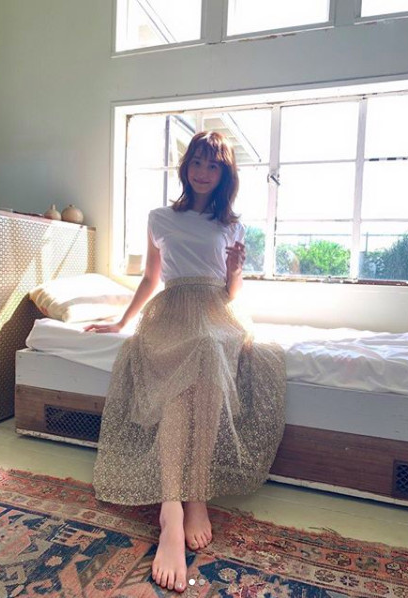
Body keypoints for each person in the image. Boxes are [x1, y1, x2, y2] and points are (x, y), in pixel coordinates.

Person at [85, 131, 286, 593]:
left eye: (213, 165)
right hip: (172, 311)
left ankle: (190, 496)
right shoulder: (160, 217)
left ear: (224, 175)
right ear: (186, 167)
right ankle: (175, 509)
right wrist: (121, 322)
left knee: (208, 348)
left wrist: (235, 270)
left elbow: (231, 293)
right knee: (195, 354)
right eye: (197, 161)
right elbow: (150, 278)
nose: (202, 171)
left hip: (215, 312)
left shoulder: (231, 226)